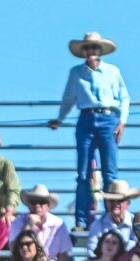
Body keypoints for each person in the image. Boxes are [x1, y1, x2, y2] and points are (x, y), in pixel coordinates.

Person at [47, 31, 130, 230]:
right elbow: (69, 99)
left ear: (100, 51)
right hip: (86, 118)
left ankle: (112, 217)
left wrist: (122, 121)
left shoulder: (113, 71)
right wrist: (59, 119)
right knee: (84, 173)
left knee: (110, 172)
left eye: (94, 47)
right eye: (87, 48)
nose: (91, 51)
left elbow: (124, 97)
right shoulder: (76, 72)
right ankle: (82, 220)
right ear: (83, 51)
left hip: (108, 118)